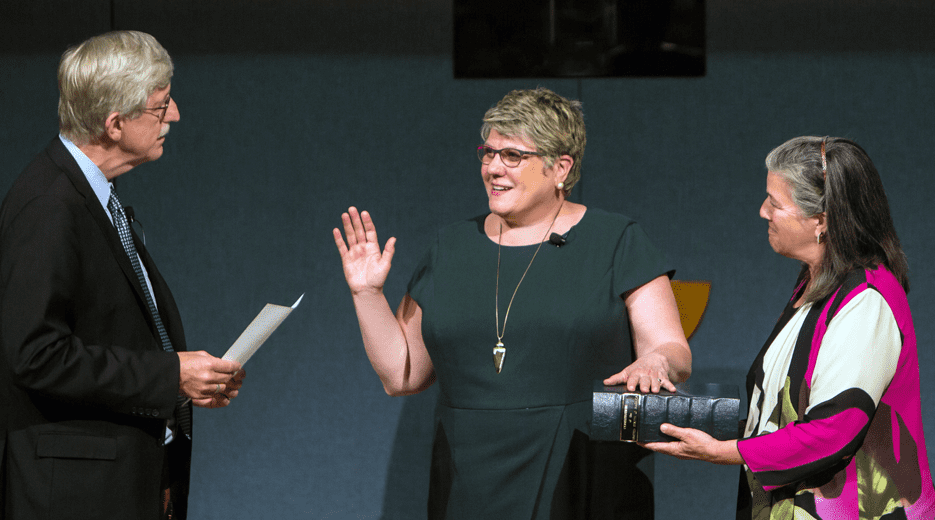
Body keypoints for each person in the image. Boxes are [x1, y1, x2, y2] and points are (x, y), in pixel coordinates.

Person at [334, 87, 691, 519]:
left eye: (513, 156)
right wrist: (367, 293)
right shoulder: (450, 247)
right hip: (468, 477)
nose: (493, 169)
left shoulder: (617, 240)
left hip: (580, 469)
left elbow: (672, 350)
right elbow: (402, 374)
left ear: (561, 167)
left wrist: (655, 364)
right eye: (488, 152)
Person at [0, 30, 245, 520]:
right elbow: (37, 355)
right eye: (160, 107)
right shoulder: (48, 205)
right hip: (65, 496)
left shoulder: (91, 197)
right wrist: (170, 375)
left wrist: (176, 387)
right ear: (115, 123)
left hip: (107, 486)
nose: (173, 116)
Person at [643, 136, 935, 519]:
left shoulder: (867, 300)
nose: (762, 211)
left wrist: (724, 452)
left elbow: (832, 431)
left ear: (822, 221)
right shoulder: (815, 283)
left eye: (775, 203)